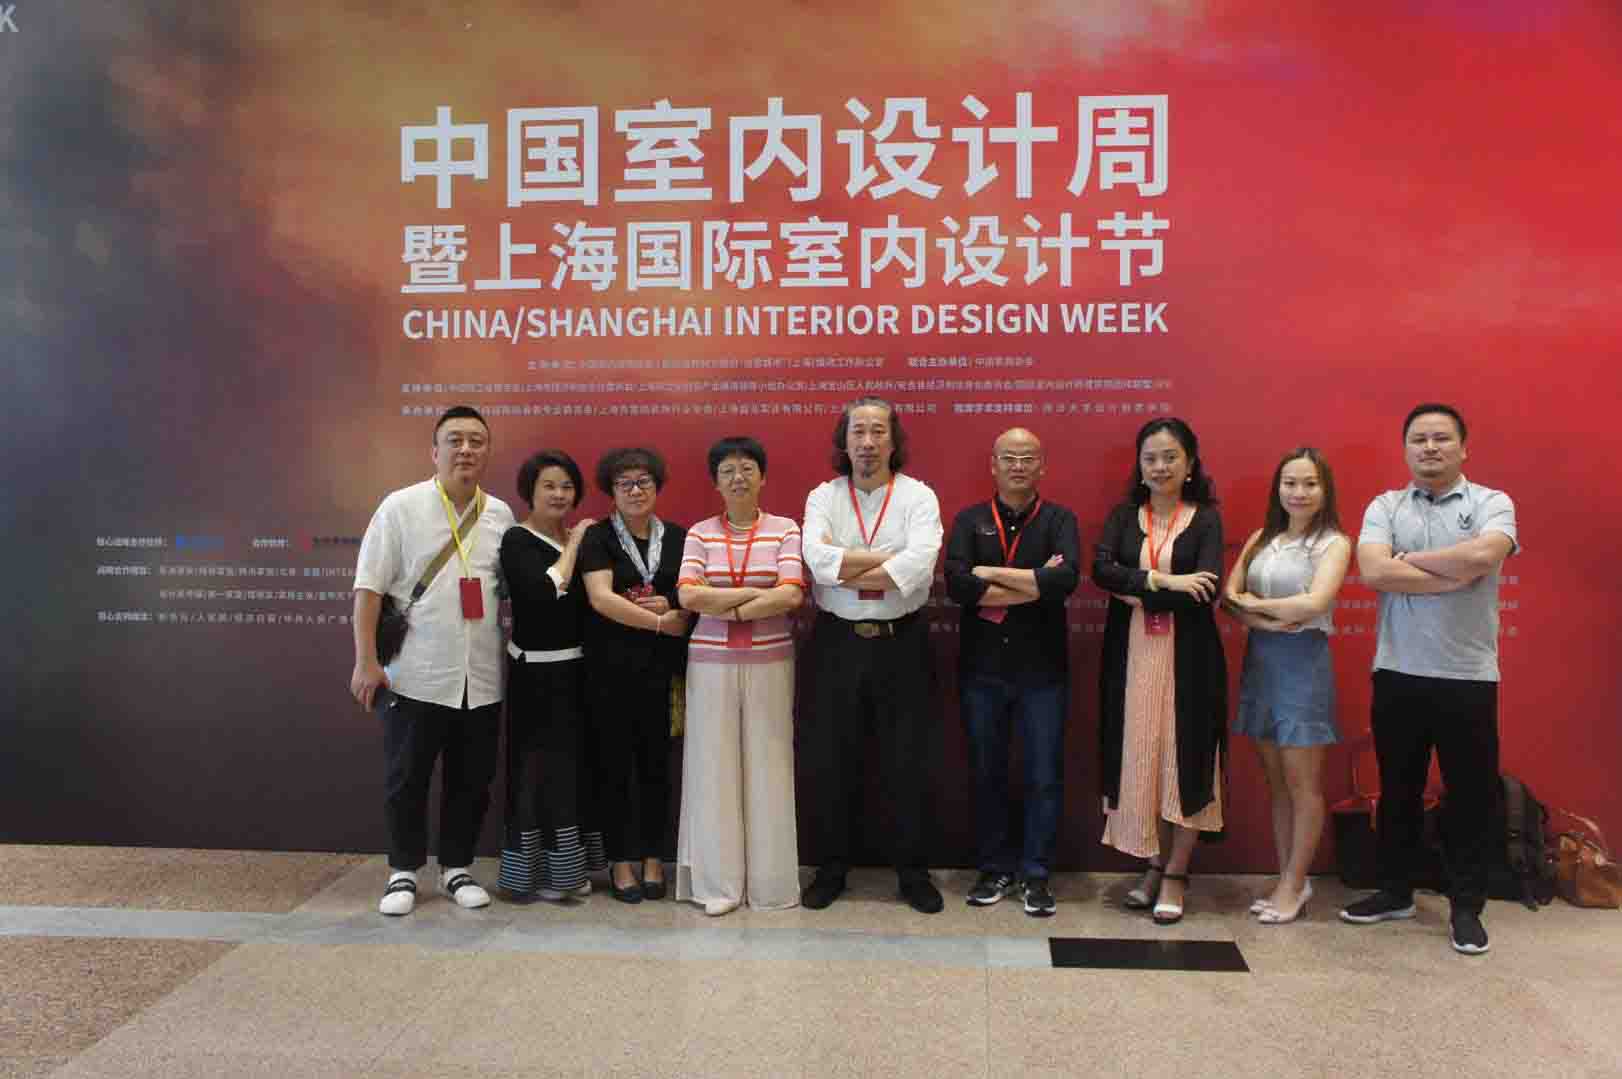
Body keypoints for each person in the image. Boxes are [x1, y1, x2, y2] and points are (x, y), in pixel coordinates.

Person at [1339, 403, 1517, 956]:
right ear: (1406, 449)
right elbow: (1374, 570)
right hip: (1398, 670)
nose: (1430, 447)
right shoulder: (1385, 505)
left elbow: (1486, 554)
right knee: (1398, 789)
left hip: (1468, 674)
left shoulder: (1491, 502)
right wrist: (1454, 572)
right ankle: (1396, 891)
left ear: (1464, 447)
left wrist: (1412, 561)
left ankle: (1467, 906)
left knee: (1470, 794)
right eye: (1419, 439)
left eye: (1441, 438)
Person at [350, 405, 516, 916]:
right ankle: (403, 871)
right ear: (434, 450)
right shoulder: (400, 507)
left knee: (472, 780)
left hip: (480, 676)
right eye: (455, 440)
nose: (466, 449)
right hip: (415, 672)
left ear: (487, 451)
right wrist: (365, 661)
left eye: (476, 441)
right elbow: (369, 588)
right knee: (408, 777)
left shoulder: (500, 514)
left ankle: (456, 867)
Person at [799, 397, 945, 914]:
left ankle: (913, 874)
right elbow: (817, 563)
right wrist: (887, 559)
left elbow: (919, 567)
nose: (867, 442)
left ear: (893, 440)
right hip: (836, 643)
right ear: (844, 441)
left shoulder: (918, 496)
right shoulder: (824, 496)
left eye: (877, 432)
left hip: (901, 642)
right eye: (857, 431)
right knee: (831, 759)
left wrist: (848, 563)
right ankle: (831, 870)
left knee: (908, 760)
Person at [1092, 417, 1226, 925]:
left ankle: (1176, 874)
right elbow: (1102, 571)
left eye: (1170, 457)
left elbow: (1205, 591)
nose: (1160, 466)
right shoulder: (1123, 516)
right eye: (1150, 458)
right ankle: (1152, 863)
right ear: (1139, 465)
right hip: (1131, 658)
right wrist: (1165, 581)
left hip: (1189, 662)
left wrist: (1137, 591)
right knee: (1141, 758)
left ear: (1190, 464)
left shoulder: (1205, 520)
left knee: (1183, 759)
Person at [943, 428, 1080, 917]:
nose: (1018, 466)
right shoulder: (970, 520)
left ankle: (1036, 874)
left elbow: (1065, 580)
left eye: (1027, 458)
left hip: (1043, 670)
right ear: (993, 465)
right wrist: (1034, 582)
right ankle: (994, 867)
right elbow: (958, 585)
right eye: (1009, 458)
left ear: (1043, 466)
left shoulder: (1060, 519)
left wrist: (989, 573)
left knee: (1044, 775)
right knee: (987, 772)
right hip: (983, 668)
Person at [674, 436, 805, 916]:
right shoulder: (700, 533)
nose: (738, 478)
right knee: (713, 768)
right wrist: (754, 598)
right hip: (710, 662)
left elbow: (792, 594)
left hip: (771, 660)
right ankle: (719, 886)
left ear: (763, 477)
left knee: (770, 765)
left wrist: (723, 602)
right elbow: (688, 595)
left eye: (747, 468)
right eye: (727, 470)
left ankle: (771, 886)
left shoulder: (785, 529)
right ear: (716, 482)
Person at [1222, 448, 1351, 924]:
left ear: (1325, 490)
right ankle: (1288, 878)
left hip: (1303, 663)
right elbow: (1228, 598)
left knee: (1303, 785)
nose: (1299, 492)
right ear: (1278, 488)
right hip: (1262, 660)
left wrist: (1255, 606)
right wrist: (1267, 618)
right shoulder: (1262, 538)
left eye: (1310, 484)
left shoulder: (1334, 543)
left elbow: (1315, 603)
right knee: (1276, 783)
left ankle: (1294, 885)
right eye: (1290, 483)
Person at [581, 447, 692, 903]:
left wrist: (675, 604)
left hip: (663, 673)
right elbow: (601, 599)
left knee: (656, 767)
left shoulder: (680, 537)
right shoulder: (598, 537)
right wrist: (661, 622)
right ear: (611, 490)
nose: (635, 490)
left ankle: (652, 857)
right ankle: (620, 860)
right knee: (613, 767)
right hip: (609, 671)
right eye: (624, 483)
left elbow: (693, 593)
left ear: (657, 486)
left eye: (643, 481)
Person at [496, 450, 598, 902]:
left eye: (567, 486)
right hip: (535, 678)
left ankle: (569, 872)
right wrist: (574, 546)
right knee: (536, 772)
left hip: (576, 673)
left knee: (572, 771)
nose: (559, 494)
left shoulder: (578, 538)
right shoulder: (517, 540)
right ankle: (529, 876)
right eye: (549, 486)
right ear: (530, 492)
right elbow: (541, 593)